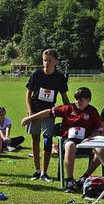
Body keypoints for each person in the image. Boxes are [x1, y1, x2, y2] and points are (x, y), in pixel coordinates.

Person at [21, 87, 104, 192]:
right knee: (70, 146)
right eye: (76, 99)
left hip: (86, 142)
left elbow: (99, 129)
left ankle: (84, 177)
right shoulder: (68, 108)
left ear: (88, 100)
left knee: (102, 149)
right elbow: (49, 112)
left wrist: (90, 137)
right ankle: (70, 180)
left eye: (82, 100)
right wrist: (30, 118)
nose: (78, 102)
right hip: (69, 141)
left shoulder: (92, 111)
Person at [24, 48, 70, 182]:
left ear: (56, 61)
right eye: (44, 60)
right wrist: (30, 112)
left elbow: (64, 97)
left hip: (50, 112)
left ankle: (45, 172)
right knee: (35, 139)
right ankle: (37, 170)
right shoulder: (36, 74)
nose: (46, 63)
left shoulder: (60, 77)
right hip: (35, 111)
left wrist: (69, 112)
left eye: (50, 60)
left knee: (47, 140)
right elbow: (28, 94)